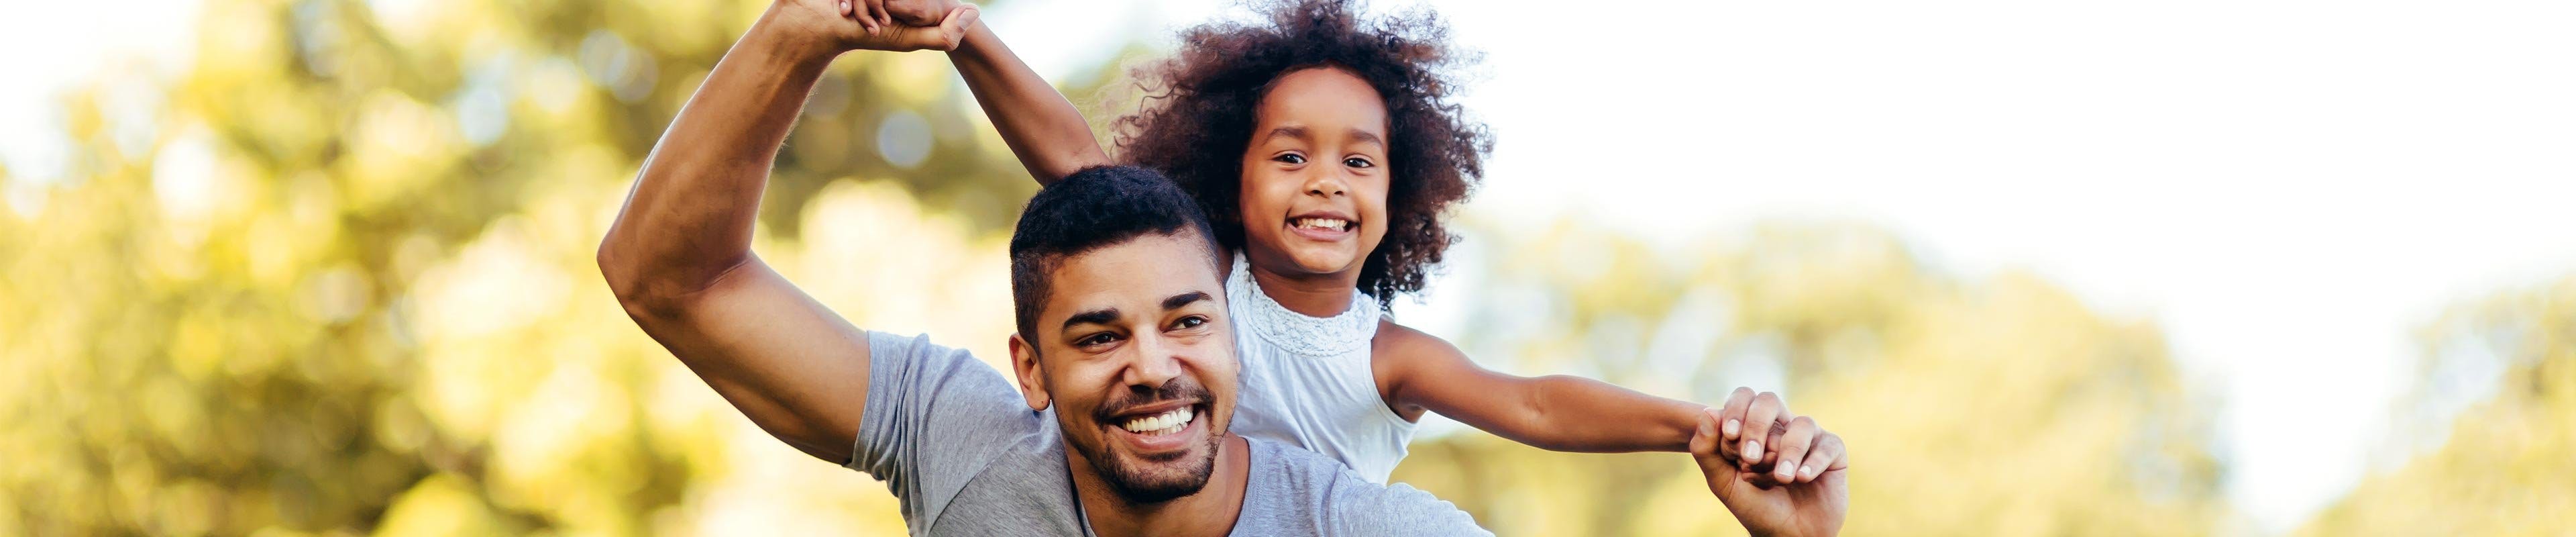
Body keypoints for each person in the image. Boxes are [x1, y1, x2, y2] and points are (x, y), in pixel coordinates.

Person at [600, 0, 1847, 534]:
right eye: (1099, 336)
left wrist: (1706, 435)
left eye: (1187, 323)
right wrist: (888, 28)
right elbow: (677, 280)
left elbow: (1528, 403)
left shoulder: (1367, 482)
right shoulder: (975, 447)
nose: (1154, 363)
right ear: (1027, 366)